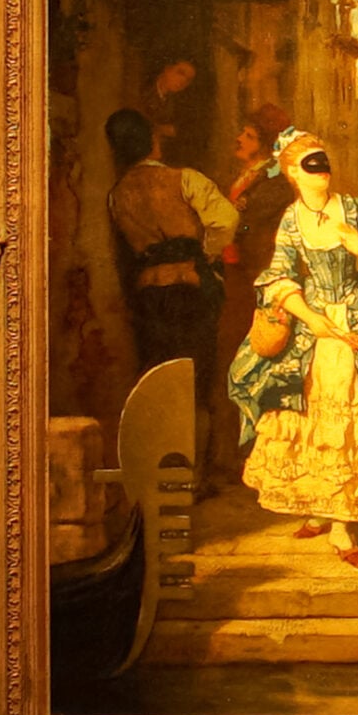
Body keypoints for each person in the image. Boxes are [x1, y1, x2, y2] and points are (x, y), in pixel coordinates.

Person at [226, 130, 358, 569]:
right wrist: (309, 316)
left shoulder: (354, 209)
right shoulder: (291, 218)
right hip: (312, 322)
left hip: (357, 316)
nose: (322, 172)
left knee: (351, 414)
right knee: (307, 413)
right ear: (293, 173)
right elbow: (278, 274)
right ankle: (322, 507)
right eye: (311, 165)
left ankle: (342, 524)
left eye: (324, 162)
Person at [104, 106, 237, 473]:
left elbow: (124, 252)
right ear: (151, 142)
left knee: (159, 379)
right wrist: (206, 252)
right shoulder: (185, 179)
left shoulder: (117, 194)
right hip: (189, 288)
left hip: (149, 296)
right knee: (196, 380)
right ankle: (193, 475)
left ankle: (164, 472)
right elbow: (226, 220)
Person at [211, 103, 297, 494]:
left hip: (255, 280)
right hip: (236, 277)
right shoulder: (246, 176)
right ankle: (233, 456)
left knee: (256, 362)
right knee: (232, 363)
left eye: (246, 136)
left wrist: (233, 220)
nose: (238, 140)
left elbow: (248, 226)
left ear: (263, 144)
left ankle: (256, 457)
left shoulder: (274, 182)